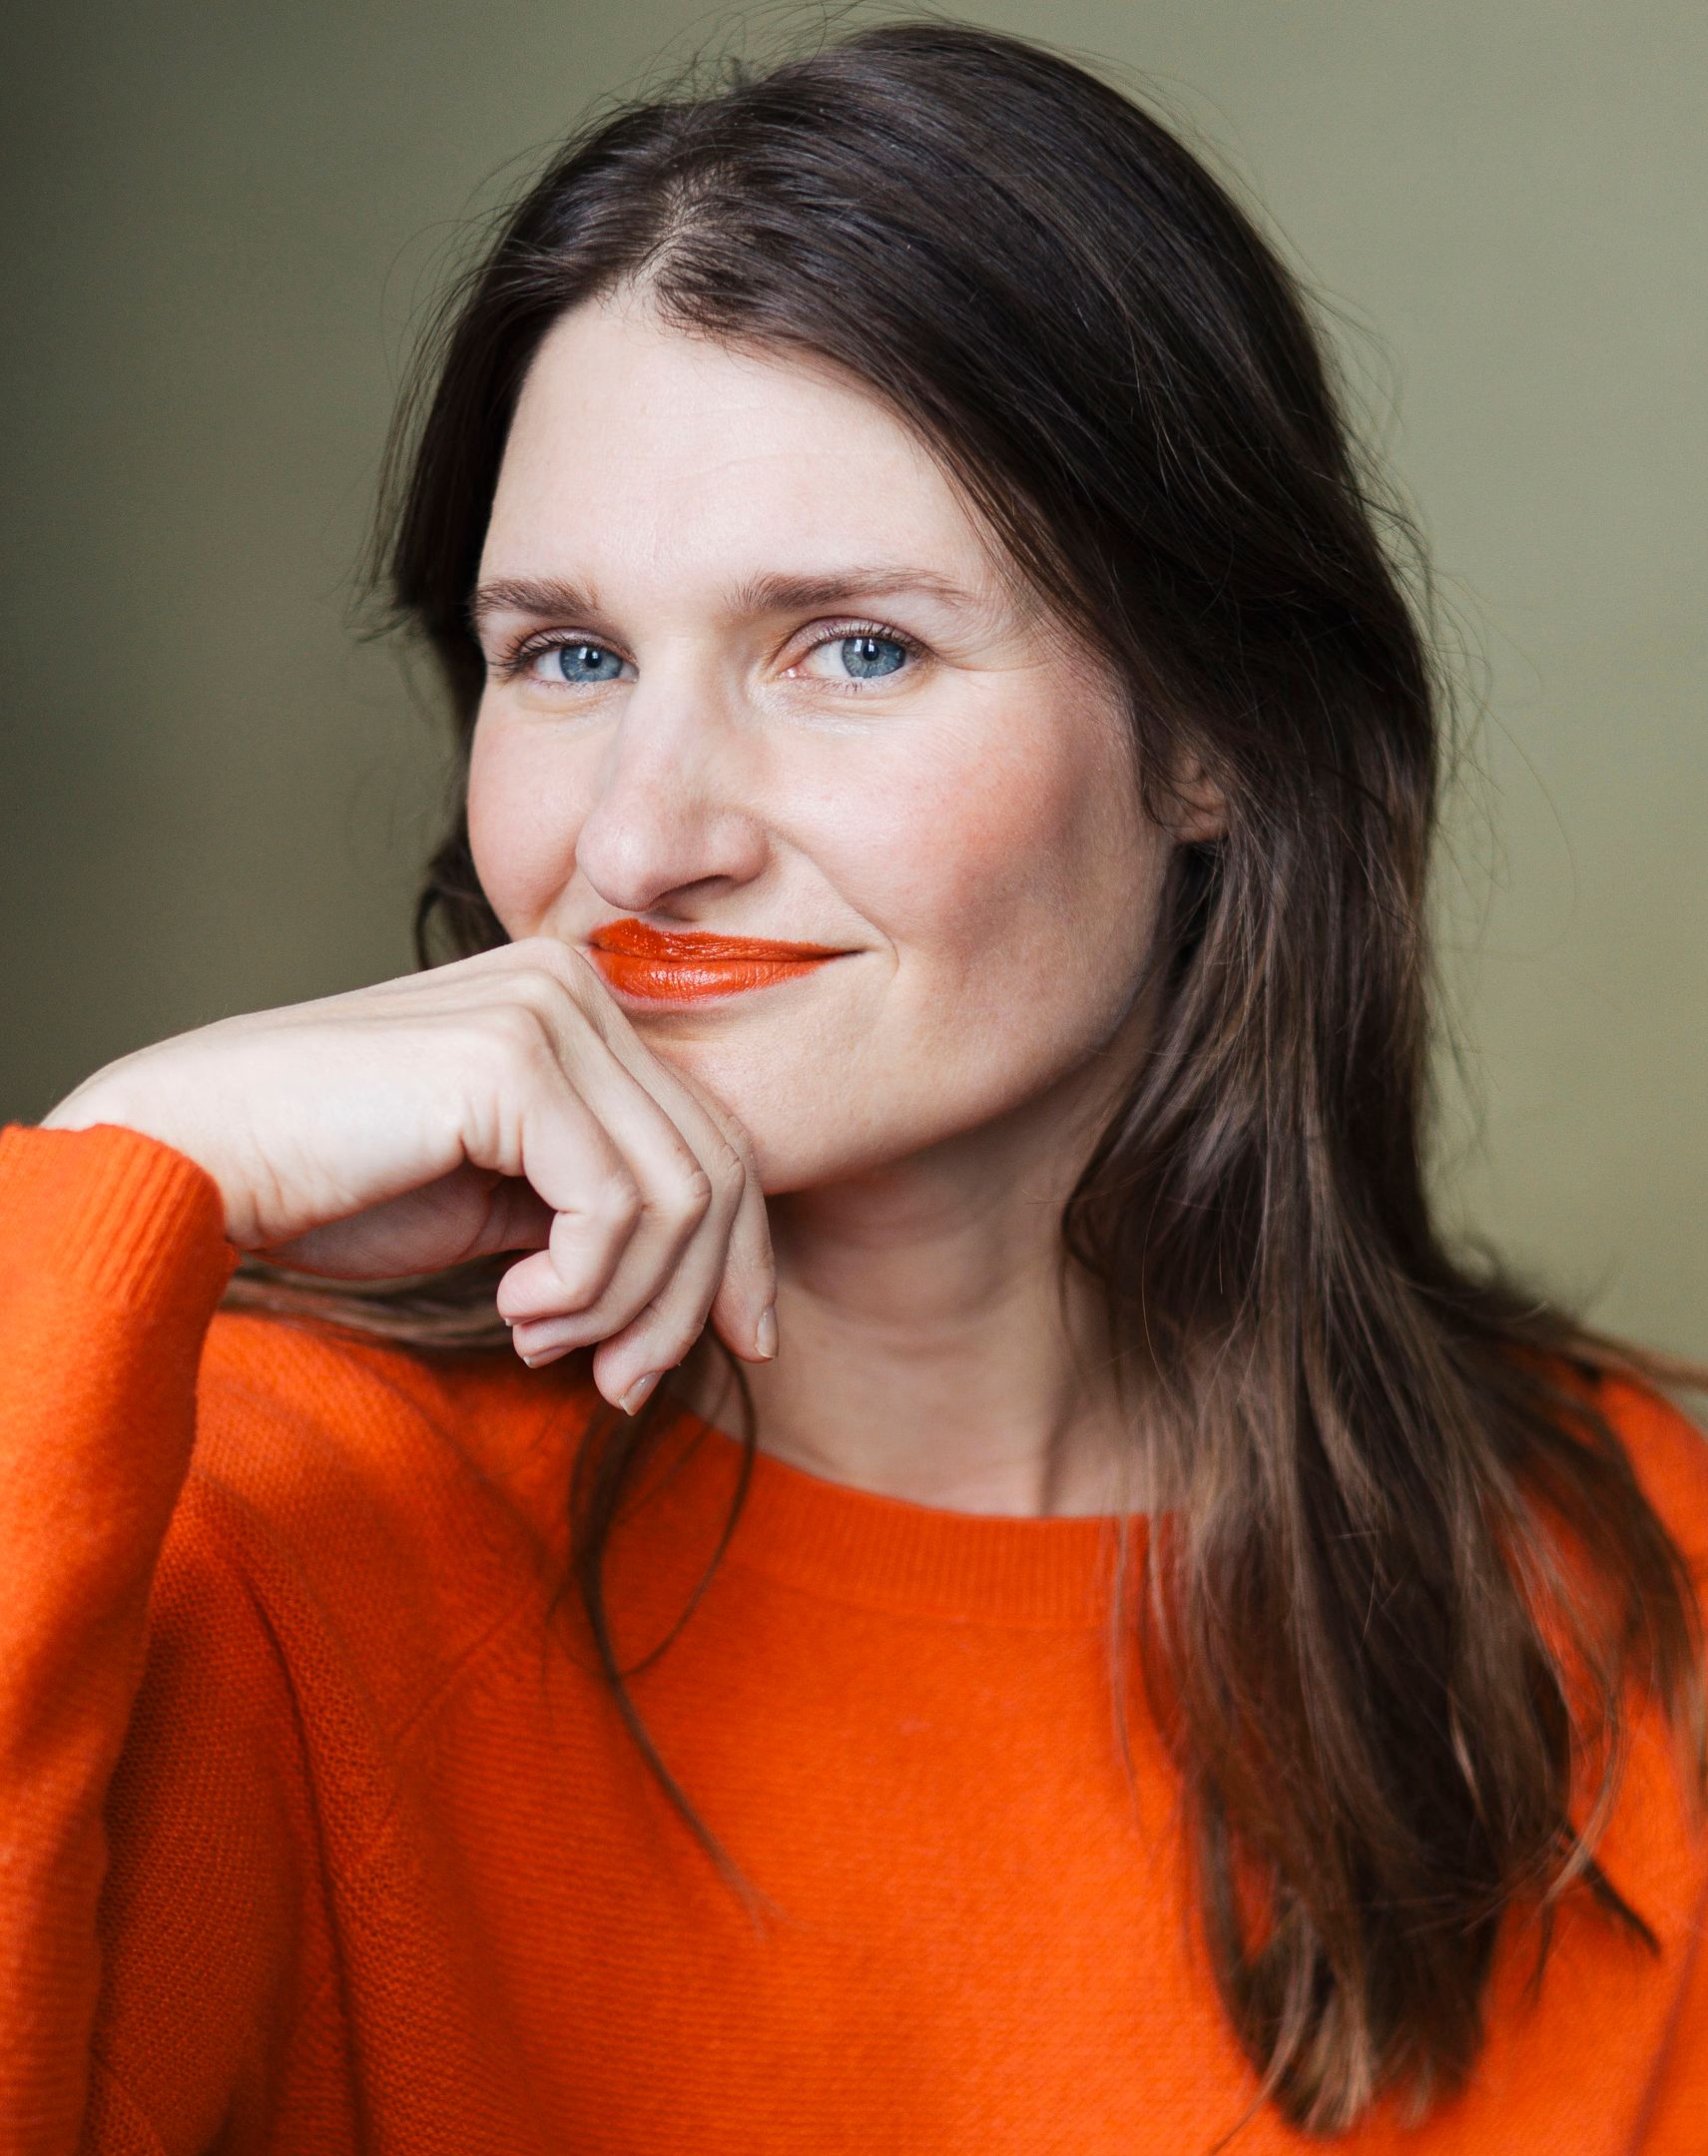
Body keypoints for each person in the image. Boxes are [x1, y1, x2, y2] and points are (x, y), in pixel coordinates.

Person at [3, 16, 1704, 2152]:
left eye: (855, 648)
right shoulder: (210, 1509)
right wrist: (123, 1179)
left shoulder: (1607, 1570)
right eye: (568, 656)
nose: (642, 838)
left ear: (1218, 734)